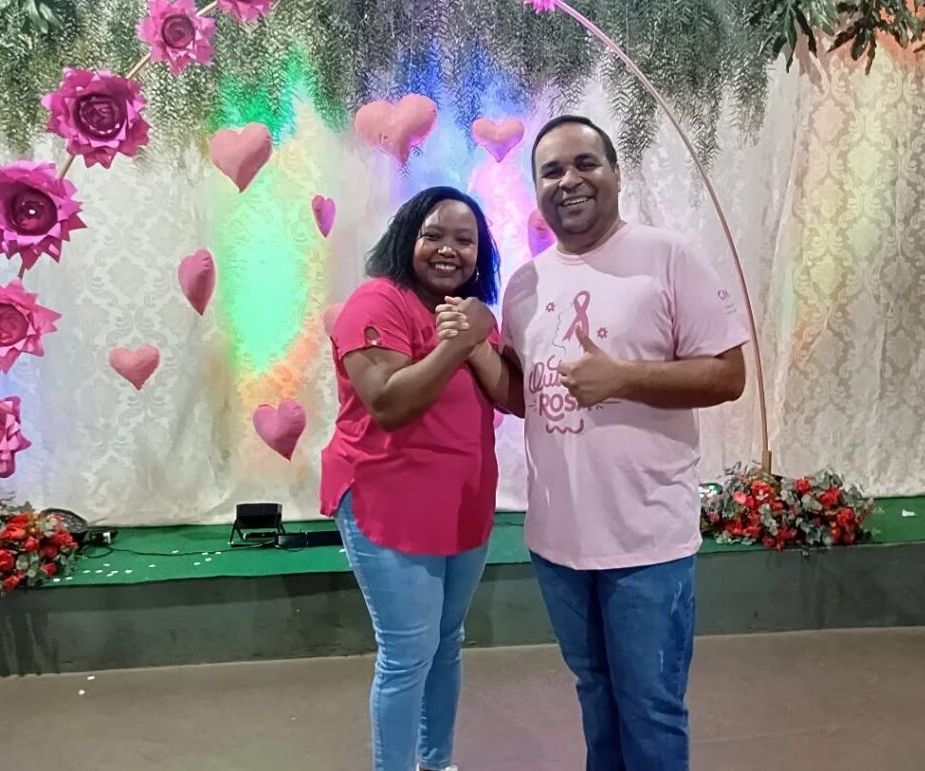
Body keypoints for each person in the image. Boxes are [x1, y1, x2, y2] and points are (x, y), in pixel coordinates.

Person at [436, 116, 749, 770]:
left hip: (647, 541)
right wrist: (472, 348)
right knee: (596, 695)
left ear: (616, 173)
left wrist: (624, 377)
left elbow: (727, 375)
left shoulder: (667, 256)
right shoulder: (526, 283)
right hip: (559, 543)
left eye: (585, 163)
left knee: (651, 707)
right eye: (551, 171)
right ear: (536, 190)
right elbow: (524, 396)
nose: (569, 180)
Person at [320, 186, 501, 771]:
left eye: (465, 240)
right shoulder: (377, 301)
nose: (449, 249)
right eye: (433, 235)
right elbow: (389, 403)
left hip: (463, 503)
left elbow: (512, 396)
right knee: (408, 653)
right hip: (388, 501)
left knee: (446, 643)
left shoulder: (469, 311)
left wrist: (477, 340)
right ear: (407, 239)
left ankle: (438, 763)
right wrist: (460, 342)